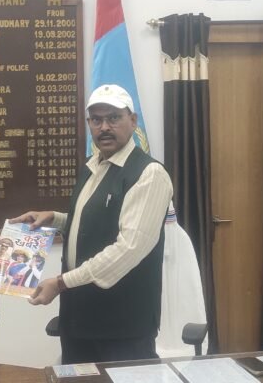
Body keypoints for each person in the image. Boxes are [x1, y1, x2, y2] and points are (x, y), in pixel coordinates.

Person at [10, 84, 173, 364]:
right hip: (78, 318)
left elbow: (128, 249)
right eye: (96, 120)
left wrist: (61, 283)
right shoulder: (91, 166)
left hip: (123, 326)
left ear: (133, 121)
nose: (104, 127)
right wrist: (54, 218)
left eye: (113, 118)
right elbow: (95, 224)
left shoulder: (149, 174)